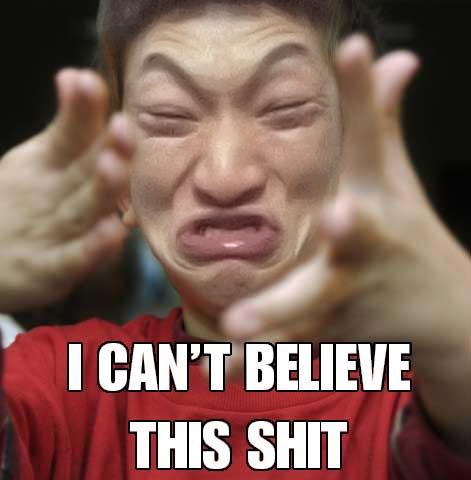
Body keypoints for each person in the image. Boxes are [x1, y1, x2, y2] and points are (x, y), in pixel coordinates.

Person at [0, 0, 469, 478]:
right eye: (168, 116)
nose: (225, 177)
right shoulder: (56, 387)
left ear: (353, 153)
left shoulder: (430, 391)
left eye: (285, 109)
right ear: (120, 180)